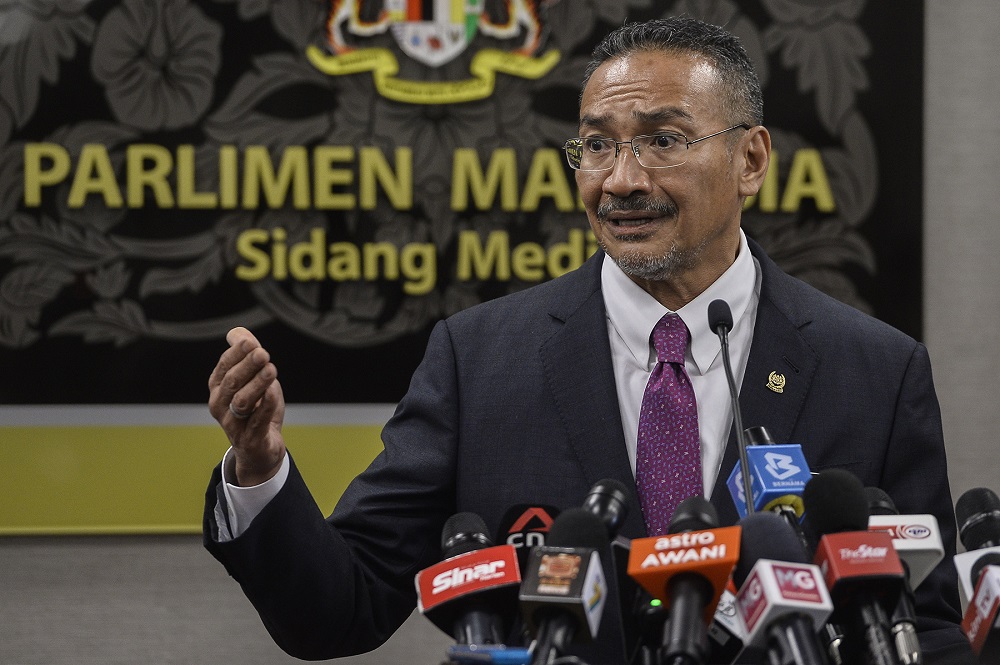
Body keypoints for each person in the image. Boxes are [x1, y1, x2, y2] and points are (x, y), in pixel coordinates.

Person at [204, 17, 973, 664]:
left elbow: (929, 625)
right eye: (597, 146)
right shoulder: (477, 360)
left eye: (663, 140)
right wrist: (260, 468)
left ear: (751, 160)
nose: (620, 179)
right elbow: (340, 608)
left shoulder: (874, 368)